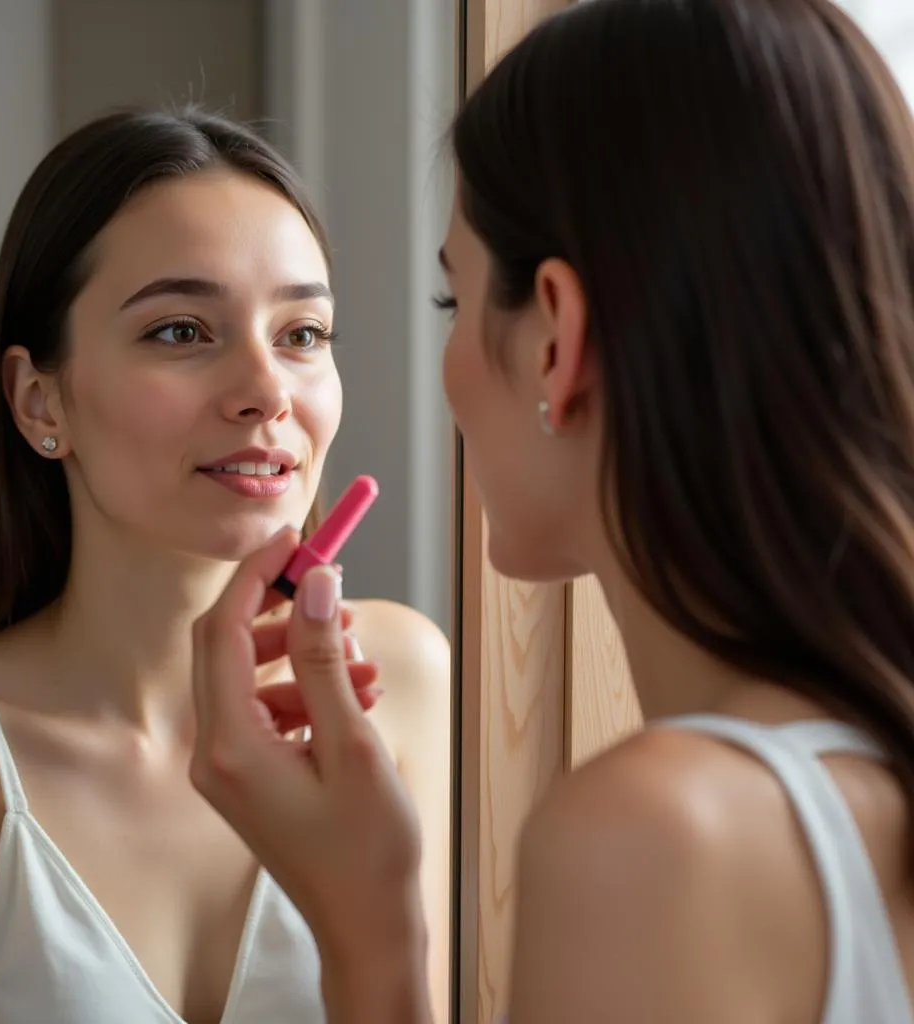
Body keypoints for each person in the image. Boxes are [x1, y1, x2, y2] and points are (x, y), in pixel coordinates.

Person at [187, 0, 914, 1021]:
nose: (266, 390)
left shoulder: (659, 838)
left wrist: (371, 930)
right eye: (181, 330)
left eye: (454, 300)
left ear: (553, 340)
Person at [0, 108, 451, 1023]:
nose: (268, 391)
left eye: (303, 334)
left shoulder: (405, 685)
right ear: (41, 402)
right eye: (182, 332)